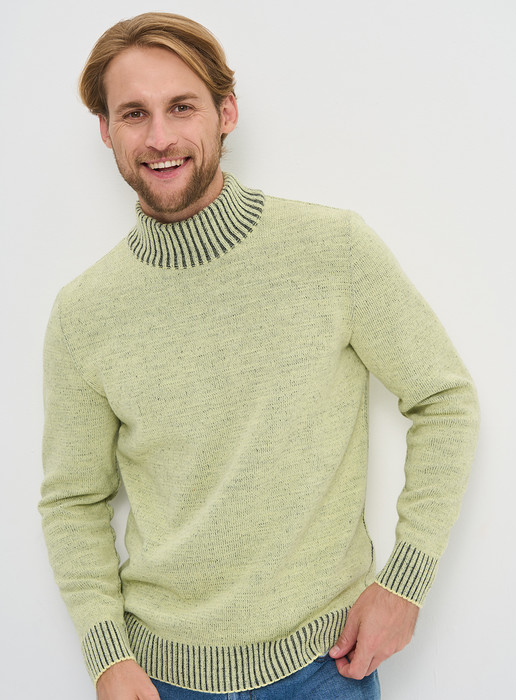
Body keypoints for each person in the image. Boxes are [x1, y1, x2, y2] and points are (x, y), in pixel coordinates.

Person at [39, 12, 480, 700]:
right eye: (133, 113)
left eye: (181, 106)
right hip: (159, 678)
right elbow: (73, 499)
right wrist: (106, 654)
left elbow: (444, 400)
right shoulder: (83, 313)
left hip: (325, 665)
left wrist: (405, 581)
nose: (159, 138)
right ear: (106, 130)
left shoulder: (331, 250)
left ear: (226, 112)